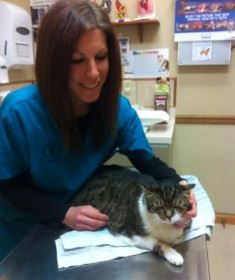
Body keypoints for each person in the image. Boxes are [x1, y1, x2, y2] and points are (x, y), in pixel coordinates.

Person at [0, 0, 197, 262]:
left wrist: (178, 184)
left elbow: (147, 161)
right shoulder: (19, 112)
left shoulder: (117, 110)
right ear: (54, 63)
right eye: (76, 60)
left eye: (101, 57)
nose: (93, 73)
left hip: (81, 227)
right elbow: (6, 185)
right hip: (23, 230)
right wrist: (63, 213)